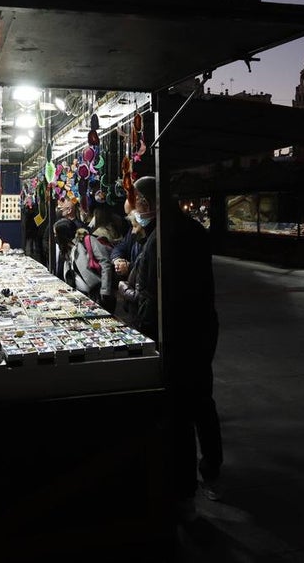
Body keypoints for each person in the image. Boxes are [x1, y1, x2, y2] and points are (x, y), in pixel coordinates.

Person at [122, 176, 223, 521]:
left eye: (138, 199)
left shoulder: (160, 239)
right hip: (202, 328)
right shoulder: (194, 229)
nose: (136, 206)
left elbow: (151, 297)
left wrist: (137, 321)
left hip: (175, 334)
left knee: (180, 415)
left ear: (149, 202)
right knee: (203, 403)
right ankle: (212, 471)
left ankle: (185, 494)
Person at [67, 202, 122, 310]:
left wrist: (105, 291)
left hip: (98, 288)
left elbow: (104, 262)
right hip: (95, 287)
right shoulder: (113, 229)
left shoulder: (93, 237)